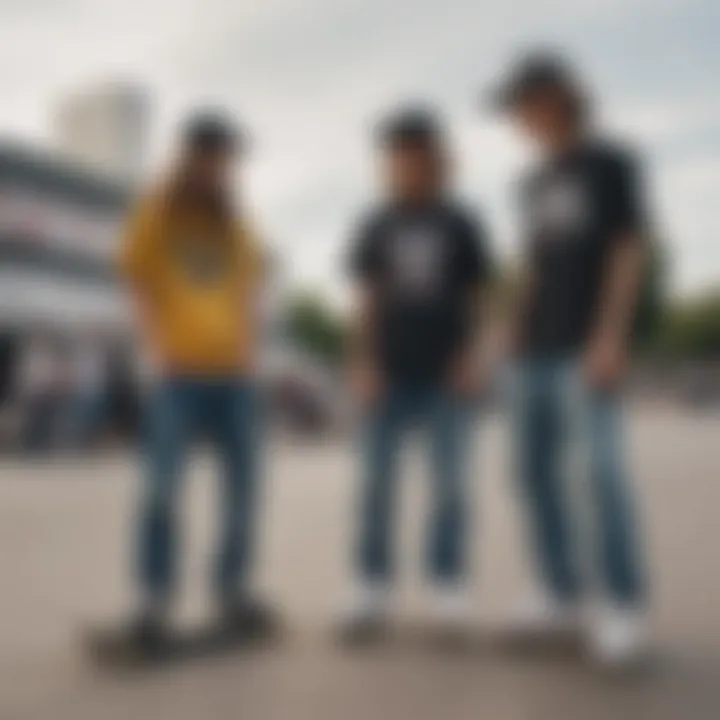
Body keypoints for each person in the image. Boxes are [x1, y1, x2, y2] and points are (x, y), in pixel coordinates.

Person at [486, 52, 650, 665]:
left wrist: (611, 335)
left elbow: (628, 250)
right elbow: (533, 265)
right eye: (514, 111)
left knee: (600, 473)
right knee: (531, 475)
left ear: (556, 96)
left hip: (586, 346)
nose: (519, 118)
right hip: (532, 351)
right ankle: (558, 590)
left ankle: (621, 601)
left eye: (523, 103)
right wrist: (508, 323)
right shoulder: (529, 184)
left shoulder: (610, 164)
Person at [113, 110, 275, 653]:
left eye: (228, 160)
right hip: (178, 375)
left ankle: (231, 592)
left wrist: (252, 347)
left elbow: (251, 286)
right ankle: (153, 601)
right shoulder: (156, 212)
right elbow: (136, 277)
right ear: (192, 156)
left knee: (244, 490)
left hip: (235, 376)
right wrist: (155, 346)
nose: (221, 169)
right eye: (213, 157)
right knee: (162, 489)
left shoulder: (237, 221)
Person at [342, 106, 493, 638]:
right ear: (390, 163)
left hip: (446, 374)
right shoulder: (375, 222)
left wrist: (472, 354)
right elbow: (366, 298)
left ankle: (447, 584)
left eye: (416, 153)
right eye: (397, 156)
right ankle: (370, 585)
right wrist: (362, 361)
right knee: (375, 485)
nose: (407, 164)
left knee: (451, 486)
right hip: (387, 372)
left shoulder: (462, 221)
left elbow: (476, 295)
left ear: (436, 159)